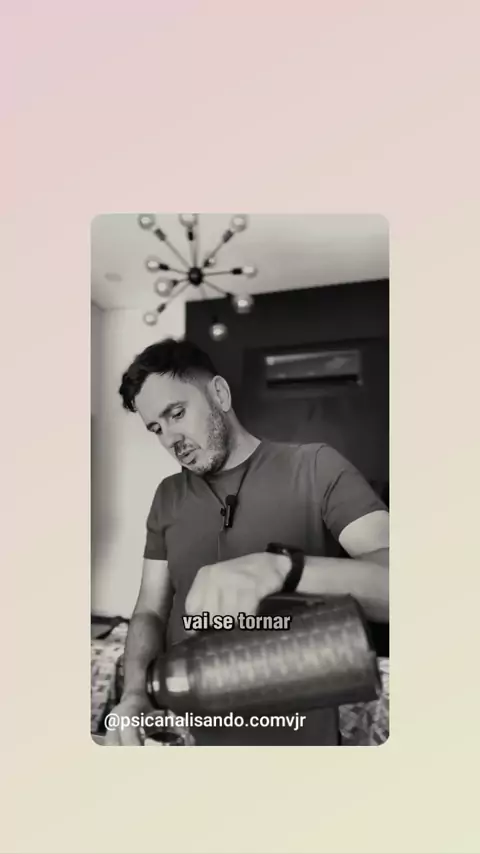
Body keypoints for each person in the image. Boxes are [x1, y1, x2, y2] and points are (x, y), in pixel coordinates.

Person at [105, 337, 389, 746]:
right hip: (190, 739)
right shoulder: (167, 496)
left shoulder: (315, 466)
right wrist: (134, 693)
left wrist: (282, 568)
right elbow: (150, 609)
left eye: (177, 413)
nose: (170, 439)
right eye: (156, 429)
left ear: (220, 394)